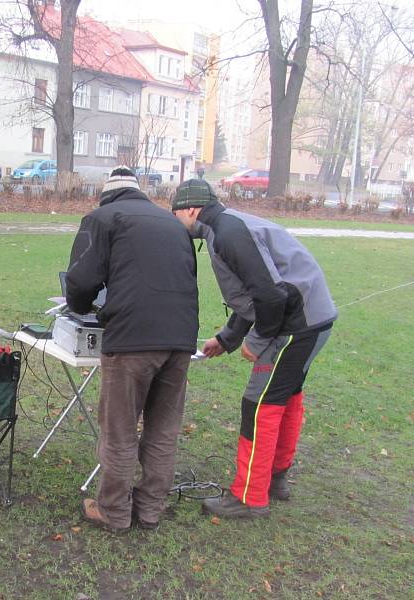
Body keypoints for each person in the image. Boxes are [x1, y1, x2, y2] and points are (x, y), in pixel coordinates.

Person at [171, 179, 337, 519]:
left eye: (175, 215)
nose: (176, 222)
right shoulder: (227, 225)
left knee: (259, 404)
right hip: (312, 319)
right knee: (285, 397)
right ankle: (275, 479)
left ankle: (250, 496)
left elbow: (270, 295)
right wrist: (227, 338)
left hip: (296, 325)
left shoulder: (229, 233)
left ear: (190, 209)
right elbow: (253, 295)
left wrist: (257, 341)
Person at [65, 166, 199, 532]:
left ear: (105, 195)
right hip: (181, 338)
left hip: (133, 339)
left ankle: (114, 511)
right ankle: (150, 510)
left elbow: (80, 279)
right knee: (163, 430)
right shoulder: (172, 223)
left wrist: (78, 305)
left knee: (120, 429)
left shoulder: (102, 218)